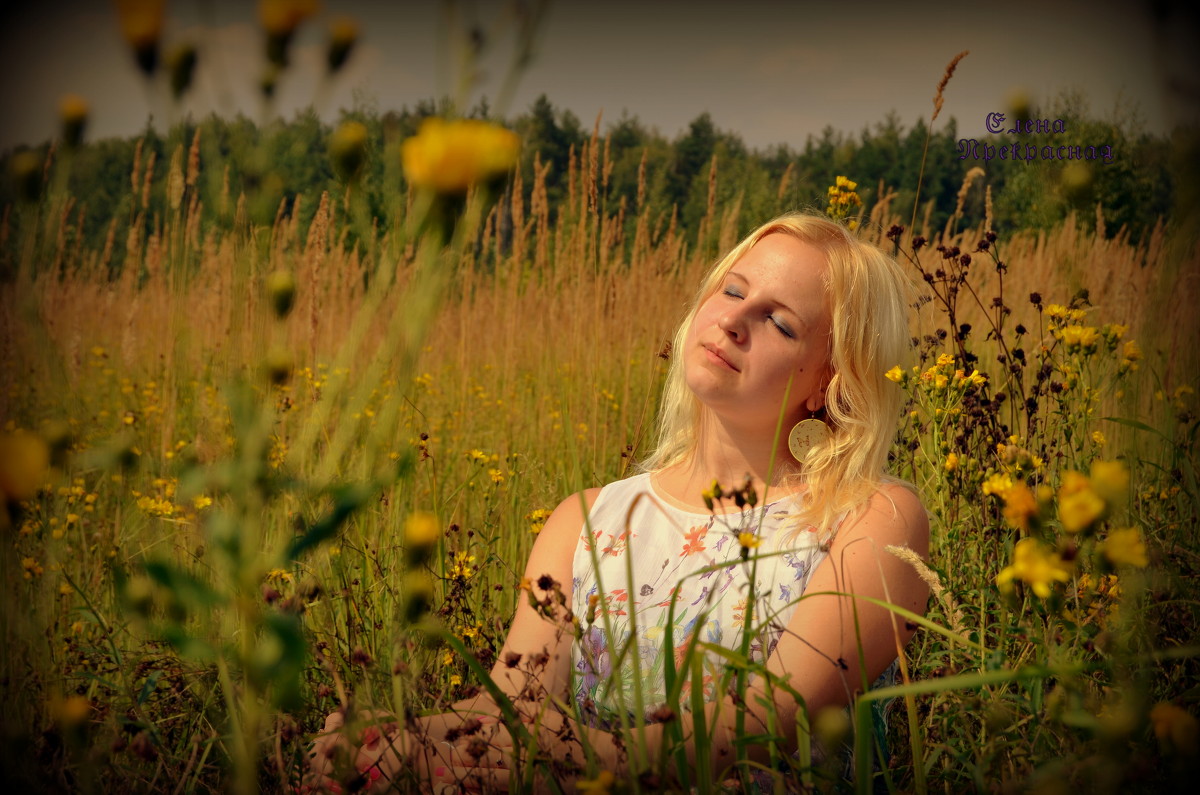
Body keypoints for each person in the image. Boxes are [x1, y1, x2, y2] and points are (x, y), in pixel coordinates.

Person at [304, 211, 930, 793]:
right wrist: (399, 732)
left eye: (781, 322)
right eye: (734, 291)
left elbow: (768, 722)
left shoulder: (870, 519)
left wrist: (543, 750)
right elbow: (515, 706)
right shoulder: (585, 521)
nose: (735, 321)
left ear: (831, 380)